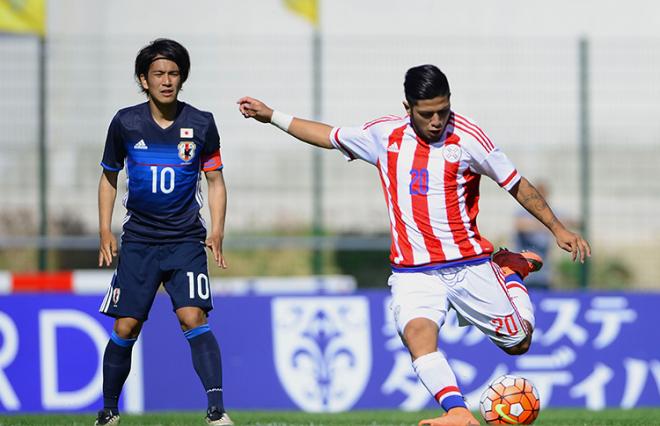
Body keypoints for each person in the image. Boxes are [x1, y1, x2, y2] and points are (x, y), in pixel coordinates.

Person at [238, 64, 590, 426]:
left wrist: (557, 228)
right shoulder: (384, 135)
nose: (437, 120)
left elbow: (516, 183)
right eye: (427, 114)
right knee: (418, 335)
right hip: (413, 270)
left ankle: (510, 271)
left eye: (443, 110)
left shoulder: (469, 138)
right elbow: (328, 135)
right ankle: (457, 412)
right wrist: (272, 117)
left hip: (467, 263)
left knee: (519, 343)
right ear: (407, 108)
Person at [96, 38, 232, 426]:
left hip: (185, 240)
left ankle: (216, 411)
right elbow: (109, 176)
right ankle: (108, 411)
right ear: (144, 79)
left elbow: (216, 180)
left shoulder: (201, 123)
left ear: (182, 78)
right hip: (138, 241)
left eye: (174, 73)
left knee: (193, 317)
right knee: (126, 325)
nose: (167, 80)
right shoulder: (126, 122)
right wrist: (105, 230)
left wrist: (217, 229)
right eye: (159, 73)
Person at [513, 181, 554, 289]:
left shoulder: (549, 213)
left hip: (543, 275)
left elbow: (567, 221)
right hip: (524, 274)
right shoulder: (524, 212)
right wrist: (545, 225)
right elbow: (519, 225)